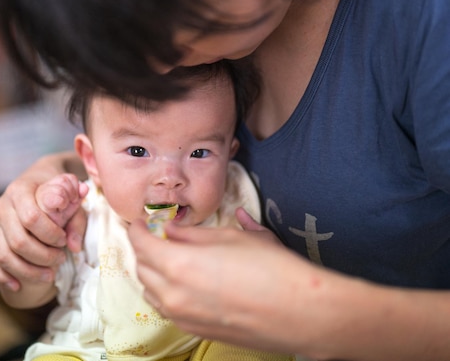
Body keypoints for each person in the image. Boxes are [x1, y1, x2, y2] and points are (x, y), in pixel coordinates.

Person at [0, 0, 450, 360]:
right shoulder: (213, 27)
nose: (151, 70)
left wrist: (308, 312)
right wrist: (57, 174)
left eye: (154, 24)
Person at [16, 62, 292, 361]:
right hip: (96, 352)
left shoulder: (231, 208)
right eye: (138, 151)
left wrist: (271, 267)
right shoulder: (85, 215)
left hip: (203, 345)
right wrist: (42, 244)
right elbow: (24, 295)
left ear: (228, 156)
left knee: (260, 340)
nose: (170, 177)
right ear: (92, 161)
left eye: (199, 153)